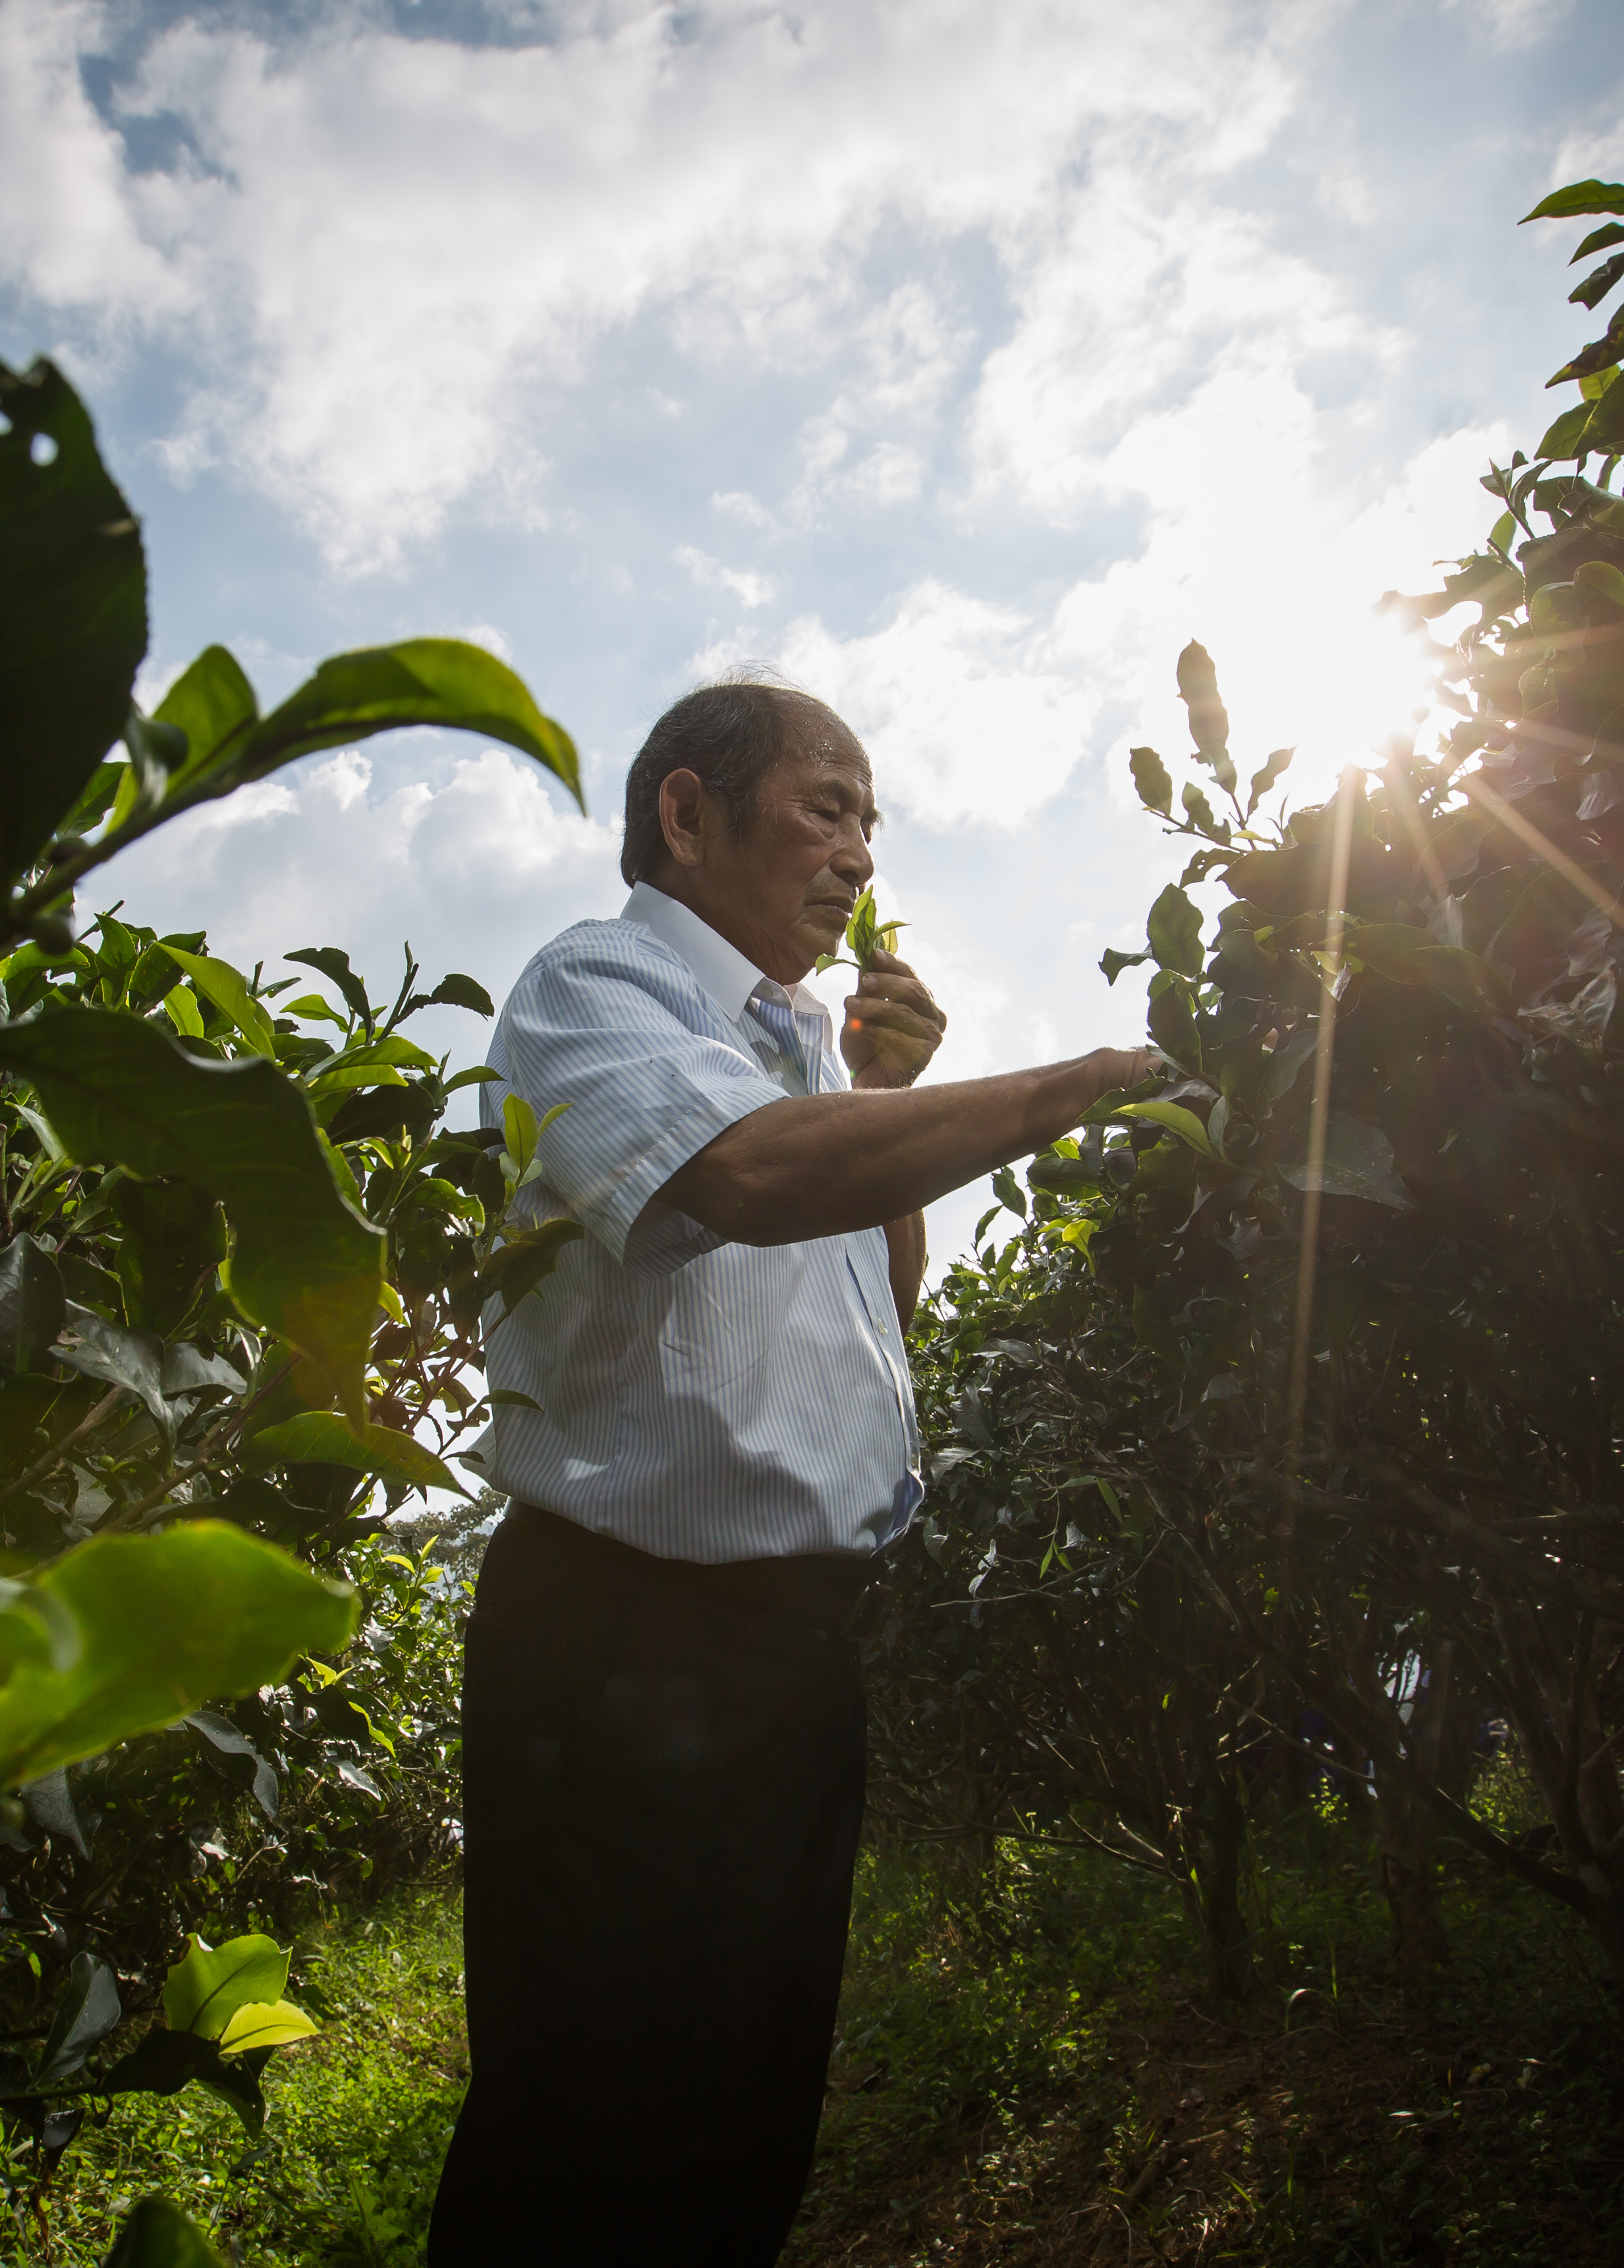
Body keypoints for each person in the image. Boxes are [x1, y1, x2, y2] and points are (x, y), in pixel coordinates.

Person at [426, 677, 1160, 2264]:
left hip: (782, 1652)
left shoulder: (802, 1050)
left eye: (868, 821)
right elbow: (747, 1181)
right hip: (627, 1641)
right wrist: (1074, 1085)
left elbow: (865, 1314)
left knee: (740, 2113)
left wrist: (881, 1103)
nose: (854, 851)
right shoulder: (599, 983)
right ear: (686, 815)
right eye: (824, 806)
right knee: (591, 2120)